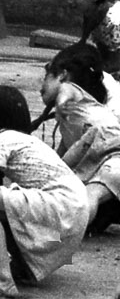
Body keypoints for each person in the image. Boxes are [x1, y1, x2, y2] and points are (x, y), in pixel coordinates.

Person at [0, 84, 86, 299]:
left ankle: (1, 280)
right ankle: (21, 269)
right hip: (75, 209)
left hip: (59, 204)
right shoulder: (26, 141)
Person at [39, 42, 120, 234]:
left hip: (111, 146)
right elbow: (67, 148)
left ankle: (71, 234)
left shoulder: (68, 90)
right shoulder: (79, 113)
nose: (41, 87)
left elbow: (66, 91)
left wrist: (61, 103)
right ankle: (76, 228)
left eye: (45, 80)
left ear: (62, 75)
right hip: (110, 156)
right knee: (89, 193)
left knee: (87, 196)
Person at [61, 0, 120, 74]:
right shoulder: (90, 15)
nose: (69, 1)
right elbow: (84, 45)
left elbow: (116, 62)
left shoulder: (114, 20)